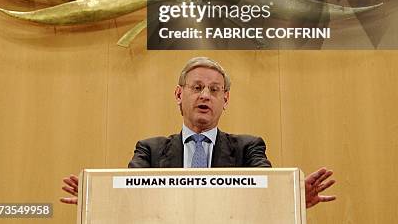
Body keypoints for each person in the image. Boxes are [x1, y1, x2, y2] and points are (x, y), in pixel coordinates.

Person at [61, 57, 335, 209]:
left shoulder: (248, 148)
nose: (205, 95)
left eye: (214, 90)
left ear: (225, 100)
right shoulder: (150, 150)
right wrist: (99, 202)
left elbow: (265, 193)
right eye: (197, 87)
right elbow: (133, 200)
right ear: (179, 94)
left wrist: (293, 200)